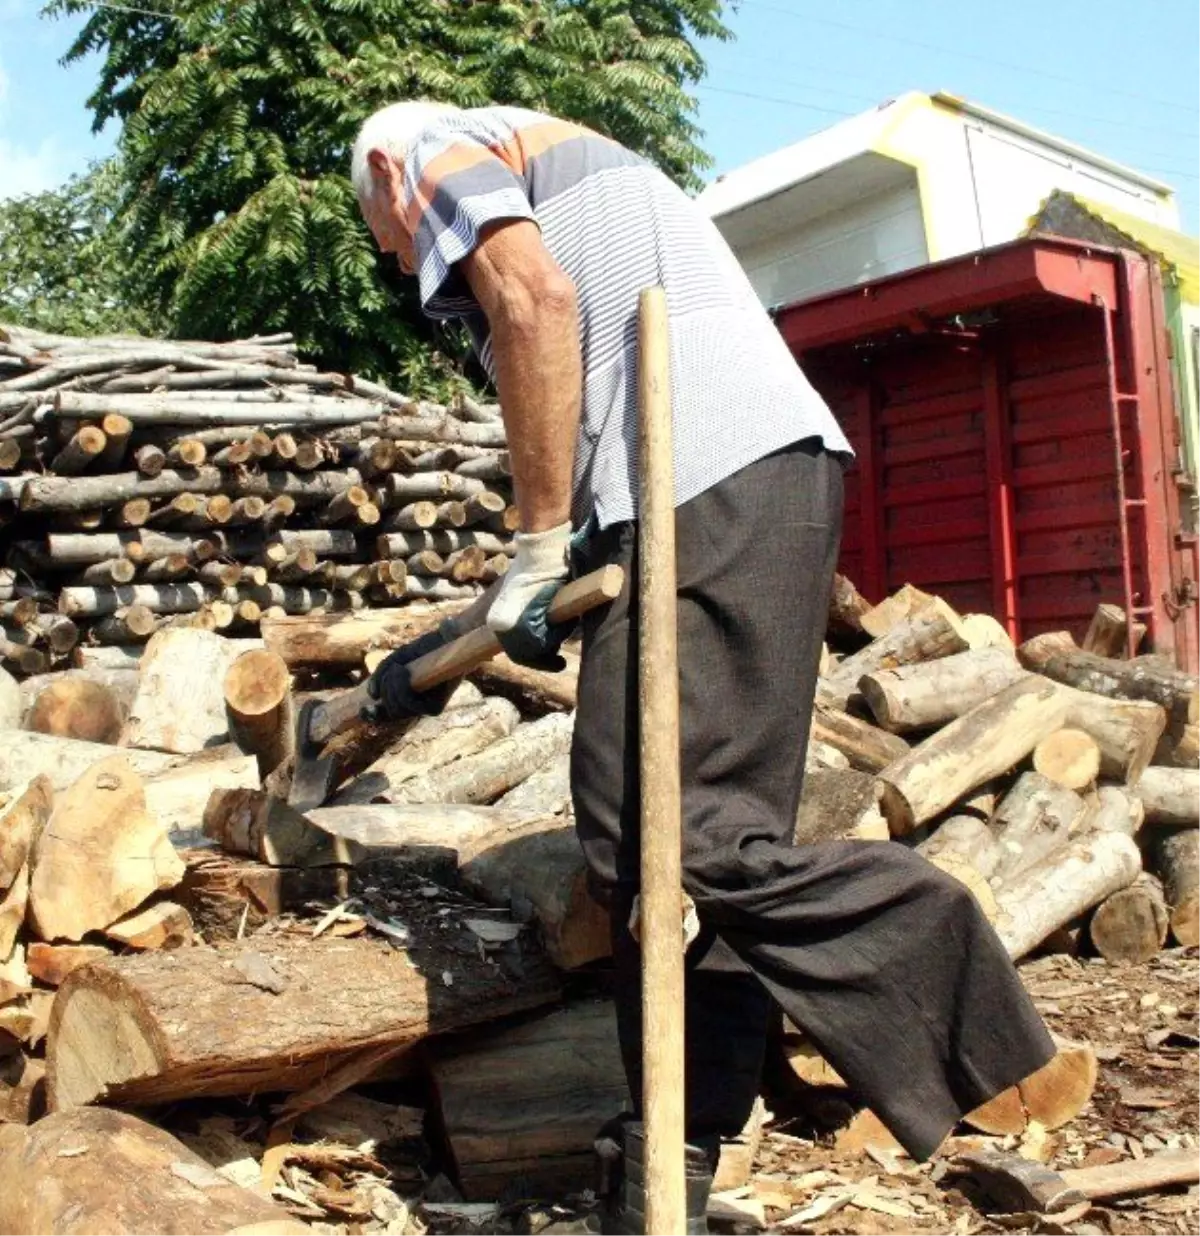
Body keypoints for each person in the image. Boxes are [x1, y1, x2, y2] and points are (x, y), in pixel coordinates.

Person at [351, 101, 1055, 1232]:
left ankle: (937, 946)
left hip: (710, 470)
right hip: (750, 477)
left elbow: (536, 303)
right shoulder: (568, 176)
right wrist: (550, 557)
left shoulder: (428, 147)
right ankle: (665, 1175)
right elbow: (578, 359)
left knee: (654, 829)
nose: (399, 260)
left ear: (385, 172)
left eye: (385, 237)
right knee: (700, 844)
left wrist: (536, 548)